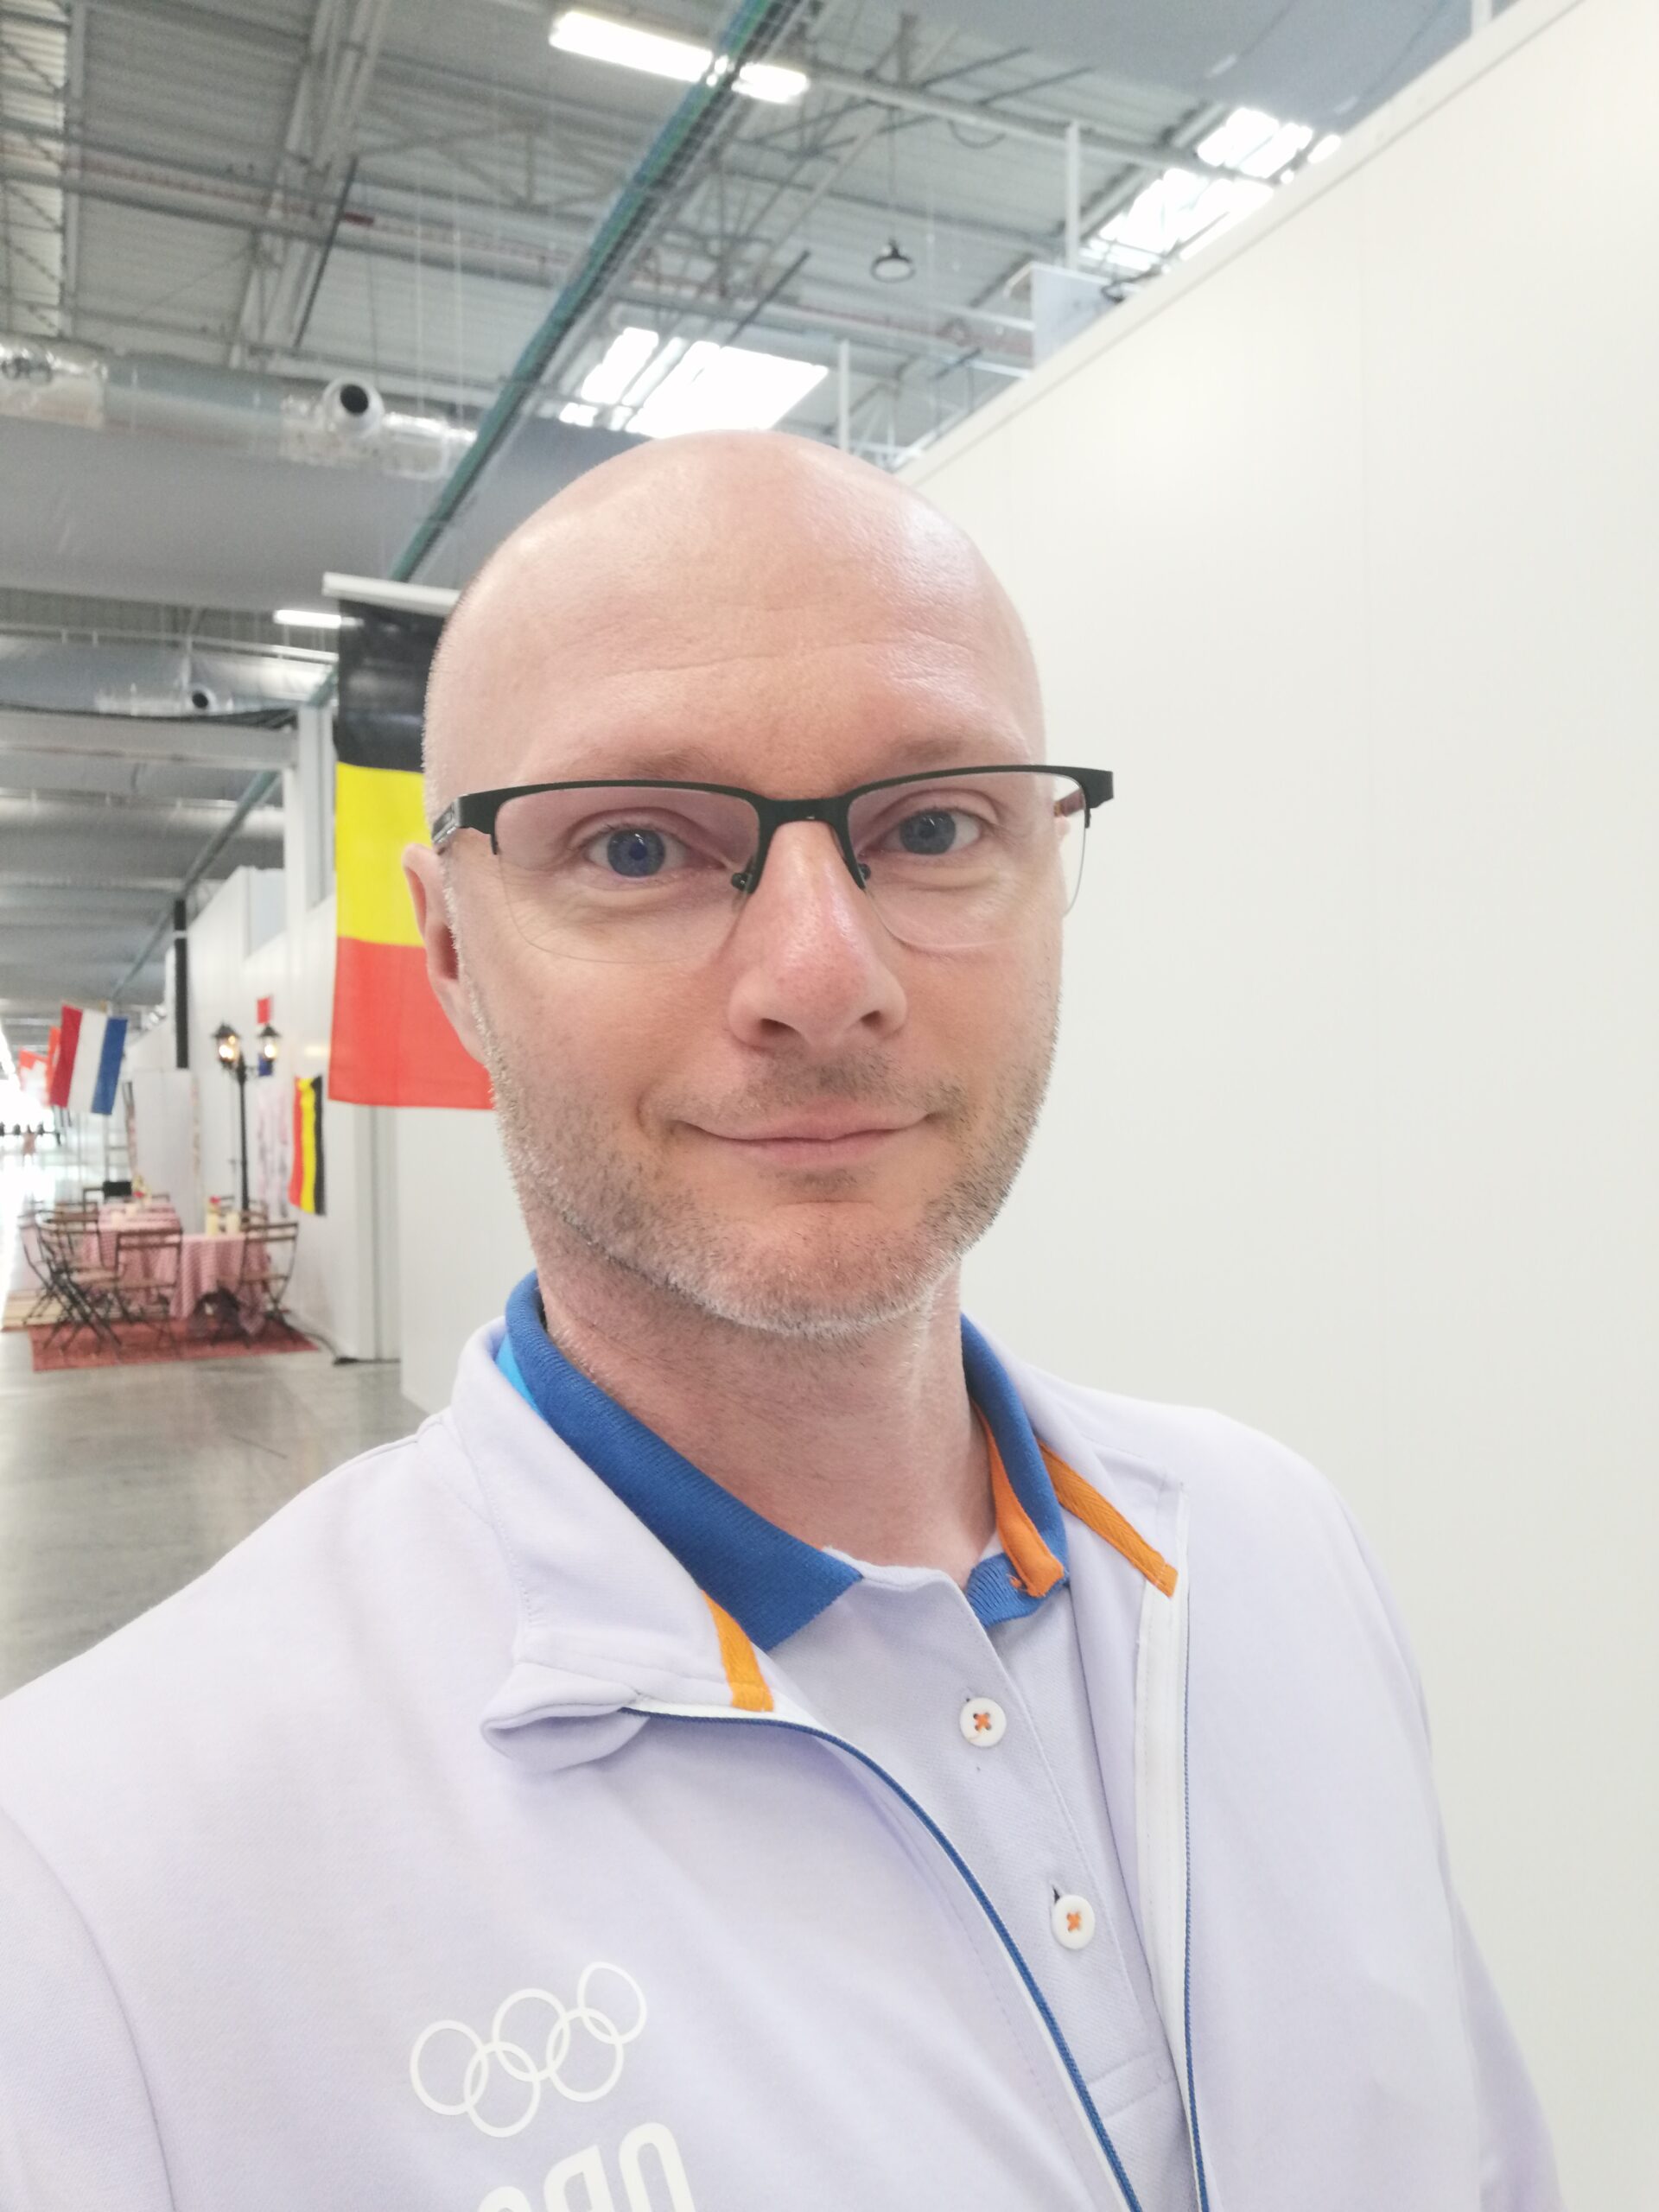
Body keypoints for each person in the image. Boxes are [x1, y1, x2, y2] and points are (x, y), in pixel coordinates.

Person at [0, 434, 1560, 2212]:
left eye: (934, 826)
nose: (825, 979)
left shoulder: (1276, 1551)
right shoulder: (104, 1882)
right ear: (451, 954)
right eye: (638, 844)